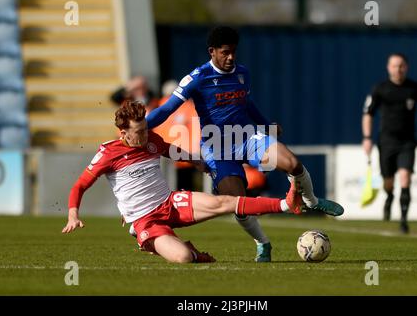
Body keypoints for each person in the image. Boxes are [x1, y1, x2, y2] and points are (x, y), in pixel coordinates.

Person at [145, 26, 343, 262]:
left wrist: (265, 124)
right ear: (212, 51)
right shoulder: (197, 78)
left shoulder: (242, 73)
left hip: (246, 137)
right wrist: (141, 127)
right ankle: (263, 243)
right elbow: (167, 109)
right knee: (238, 202)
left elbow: (247, 104)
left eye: (234, 52)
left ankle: (312, 201)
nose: (231, 58)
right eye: (225, 52)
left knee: (292, 163)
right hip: (216, 147)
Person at [61, 101, 342, 264]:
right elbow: (79, 185)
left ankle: (286, 203)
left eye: (146, 129)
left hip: (170, 203)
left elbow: (177, 152)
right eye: (138, 132)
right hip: (145, 221)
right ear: (123, 132)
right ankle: (193, 252)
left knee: (226, 201)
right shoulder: (107, 153)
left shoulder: (152, 140)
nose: (145, 135)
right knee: (182, 258)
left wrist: (204, 164)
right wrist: (73, 213)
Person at [362, 53, 417, 233]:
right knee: (388, 181)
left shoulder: (414, 88)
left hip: (407, 142)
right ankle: (389, 196)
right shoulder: (380, 89)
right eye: (395, 66)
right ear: (388, 68)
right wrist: (367, 138)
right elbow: (368, 114)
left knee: (405, 178)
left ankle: (403, 220)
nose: (398, 69)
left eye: (402, 65)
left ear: (407, 67)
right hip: (386, 141)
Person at [153, 79, 201, 191]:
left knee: (183, 185)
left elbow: (196, 128)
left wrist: (195, 148)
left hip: (182, 154)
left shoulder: (188, 107)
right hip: (165, 152)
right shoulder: (160, 105)